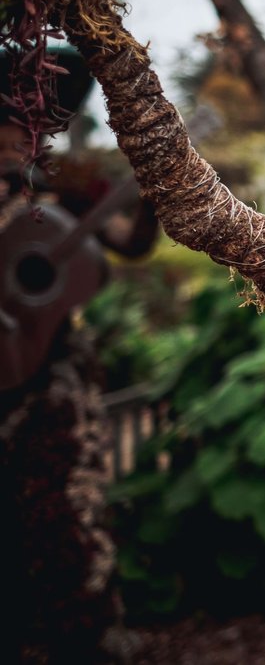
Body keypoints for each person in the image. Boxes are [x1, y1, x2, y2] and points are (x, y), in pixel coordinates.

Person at [0, 45, 157, 663]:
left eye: (33, 120)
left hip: (52, 378)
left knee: (66, 515)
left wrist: (150, 190)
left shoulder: (66, 182)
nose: (22, 133)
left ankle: (87, 638)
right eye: (12, 118)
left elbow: (128, 242)